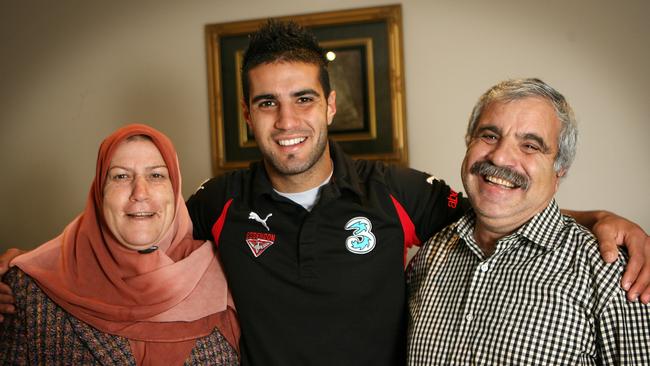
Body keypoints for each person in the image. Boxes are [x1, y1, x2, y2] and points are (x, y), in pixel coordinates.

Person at [0, 20, 649, 365]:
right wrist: (28, 271)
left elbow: (498, 210)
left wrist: (597, 221)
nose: (287, 122)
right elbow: (130, 233)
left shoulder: (400, 191)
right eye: (267, 104)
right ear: (247, 115)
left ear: (331, 104)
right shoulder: (218, 201)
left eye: (303, 98)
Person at [407, 78, 650, 365]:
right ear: (468, 141)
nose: (500, 157)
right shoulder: (430, 254)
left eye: (530, 145)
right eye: (489, 135)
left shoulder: (611, 273)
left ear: (560, 169)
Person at [0, 124, 240, 365]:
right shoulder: (25, 290)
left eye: (156, 175)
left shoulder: (226, 275)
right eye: (121, 176)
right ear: (99, 192)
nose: (140, 192)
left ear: (174, 189)